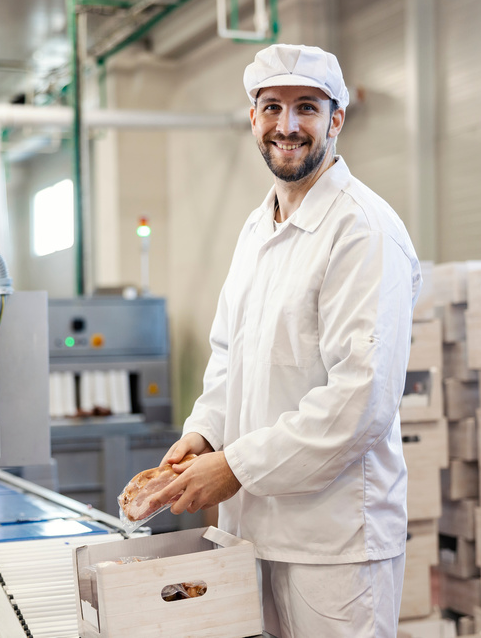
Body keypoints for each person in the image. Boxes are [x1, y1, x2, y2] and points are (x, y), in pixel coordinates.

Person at [152, 43, 422, 637]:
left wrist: (235, 467)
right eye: (272, 107)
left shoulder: (362, 230)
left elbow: (361, 400)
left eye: (307, 107)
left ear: (336, 119)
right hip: (254, 532)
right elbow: (231, 358)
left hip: (335, 545)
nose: (288, 125)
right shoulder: (258, 227)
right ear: (253, 119)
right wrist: (202, 436)